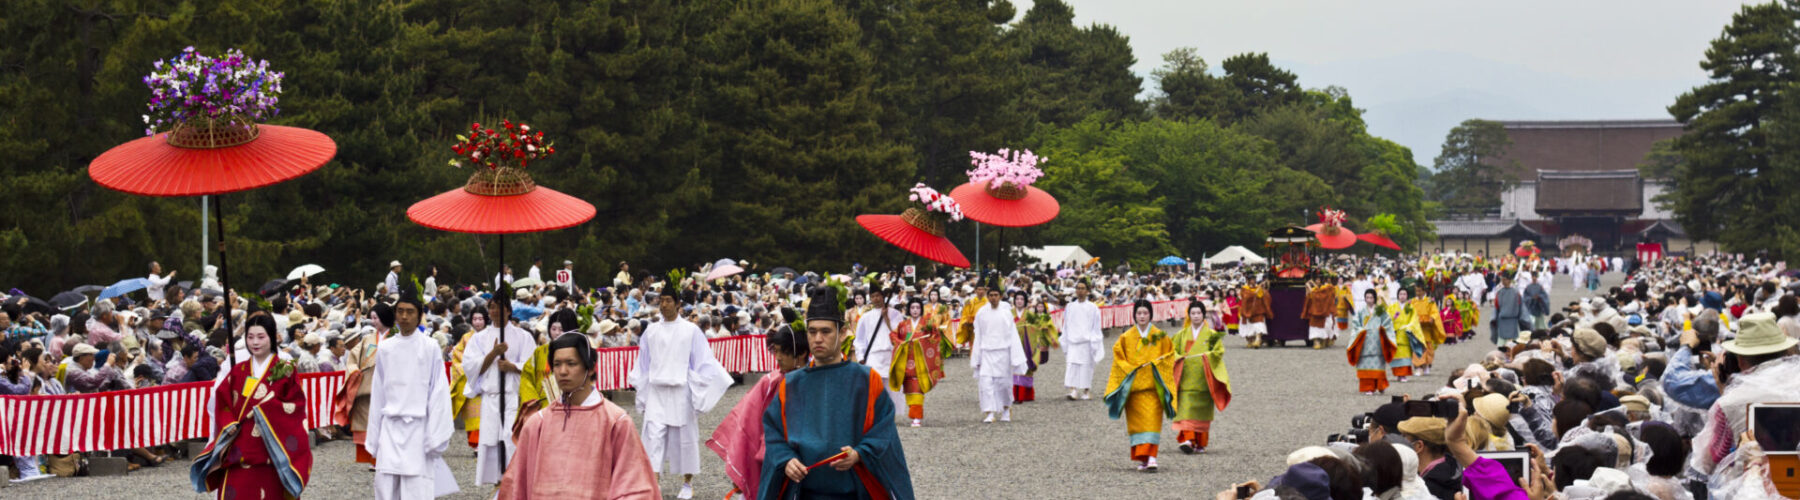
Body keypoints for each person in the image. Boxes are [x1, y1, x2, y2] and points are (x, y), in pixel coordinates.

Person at [758, 286, 914, 500]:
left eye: (826, 331)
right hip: (804, 492)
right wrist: (785, 459)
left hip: (854, 492)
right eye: (812, 332)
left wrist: (860, 453)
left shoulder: (867, 380)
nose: (818, 338)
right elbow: (773, 432)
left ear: (842, 333)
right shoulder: (791, 384)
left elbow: (884, 430)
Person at [495, 333, 661, 499]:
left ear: (590, 368)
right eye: (557, 364)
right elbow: (516, 484)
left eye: (571, 363)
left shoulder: (615, 421)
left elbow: (634, 486)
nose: (563, 371)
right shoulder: (538, 423)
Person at [192, 313, 312, 499]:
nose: (255, 342)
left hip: (272, 451)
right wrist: (228, 421)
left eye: (261, 337)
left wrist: (268, 410)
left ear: (272, 337)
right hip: (239, 448)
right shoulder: (238, 370)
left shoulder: (285, 368)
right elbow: (222, 400)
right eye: (250, 337)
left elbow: (296, 406)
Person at [629, 291, 734, 500]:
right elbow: (643, 363)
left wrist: (696, 387)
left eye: (668, 300)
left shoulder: (690, 331)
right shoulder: (651, 331)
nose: (664, 305)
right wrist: (642, 391)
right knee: (653, 438)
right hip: (657, 390)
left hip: (681, 390)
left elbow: (703, 362)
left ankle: (687, 483)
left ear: (678, 304)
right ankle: (653, 483)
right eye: (662, 301)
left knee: (685, 438)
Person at [368, 282, 459, 500]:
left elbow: (438, 391)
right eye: (400, 311)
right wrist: (374, 435)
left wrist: (436, 432)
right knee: (385, 486)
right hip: (390, 425)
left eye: (410, 312)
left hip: (419, 427)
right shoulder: (386, 348)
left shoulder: (429, 347)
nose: (405, 317)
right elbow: (378, 392)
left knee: (416, 489)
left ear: (419, 315)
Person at [708, 314, 807, 499]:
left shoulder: (814, 380)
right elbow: (746, 422)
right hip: (770, 452)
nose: (777, 357)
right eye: (775, 351)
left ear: (801, 353)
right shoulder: (770, 382)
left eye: (782, 352)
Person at [461, 293, 536, 487]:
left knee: (510, 439)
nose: (495, 311)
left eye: (499, 306)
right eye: (492, 307)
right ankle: (496, 482)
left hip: (512, 396)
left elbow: (531, 365)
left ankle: (514, 480)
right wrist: (493, 353)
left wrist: (513, 366)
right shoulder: (479, 338)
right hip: (491, 396)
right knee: (491, 439)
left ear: (509, 310)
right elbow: (471, 368)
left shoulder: (522, 336)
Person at [1104, 299, 1176, 472]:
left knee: (1152, 422)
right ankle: (1143, 459)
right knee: (1137, 425)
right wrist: (1131, 369)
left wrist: (1158, 364)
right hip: (1134, 389)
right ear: (1134, 315)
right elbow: (1118, 358)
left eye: (1145, 313)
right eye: (1139, 313)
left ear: (1151, 315)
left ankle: (1152, 457)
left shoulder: (1160, 336)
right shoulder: (1126, 337)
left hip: (1152, 388)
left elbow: (1170, 355)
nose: (1142, 316)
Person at [1171, 299, 1231, 454]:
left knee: (1201, 412)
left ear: (1203, 315)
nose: (1196, 316)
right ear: (1189, 315)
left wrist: (1207, 356)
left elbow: (1219, 352)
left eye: (1199, 313)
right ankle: (1188, 440)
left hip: (1204, 380)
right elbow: (1172, 350)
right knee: (1186, 410)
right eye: (1193, 313)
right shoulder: (1181, 334)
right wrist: (1178, 357)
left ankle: (1199, 442)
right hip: (1186, 379)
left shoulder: (1211, 335)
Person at [970, 279, 1027, 423]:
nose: (993, 298)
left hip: (1003, 352)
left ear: (1000, 296)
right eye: (991, 295)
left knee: (1003, 384)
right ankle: (989, 412)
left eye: (996, 295)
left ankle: (1006, 409)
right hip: (987, 352)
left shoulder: (1006, 313)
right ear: (988, 296)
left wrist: (1015, 357)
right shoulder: (981, 313)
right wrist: (976, 357)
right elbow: (978, 336)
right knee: (986, 383)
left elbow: (1013, 335)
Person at [889, 298, 945, 427]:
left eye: (917, 308)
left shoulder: (927, 324)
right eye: (912, 307)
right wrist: (901, 343)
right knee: (909, 387)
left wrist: (922, 342)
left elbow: (936, 337)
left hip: (922, 361)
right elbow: (893, 335)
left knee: (917, 387)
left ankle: (916, 417)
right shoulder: (903, 325)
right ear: (909, 309)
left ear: (921, 309)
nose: (915, 310)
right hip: (907, 360)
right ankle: (914, 413)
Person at [852, 286, 903, 417]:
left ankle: (891, 414)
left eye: (878, 295)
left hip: (890, 353)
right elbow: (860, 339)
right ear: (870, 298)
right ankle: (876, 413)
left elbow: (900, 334)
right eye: (873, 296)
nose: (876, 299)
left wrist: (886, 318)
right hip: (873, 355)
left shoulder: (895, 314)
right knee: (874, 386)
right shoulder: (865, 317)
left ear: (883, 296)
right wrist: (861, 356)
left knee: (891, 388)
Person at [1060, 281, 1105, 400]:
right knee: (1071, 366)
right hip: (1073, 342)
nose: (1080, 291)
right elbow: (1066, 325)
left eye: (1082, 288)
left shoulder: (1093, 307)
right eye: (1078, 288)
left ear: (1087, 291)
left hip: (1086, 342)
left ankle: (1086, 391)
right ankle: (1073, 390)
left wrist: (1094, 340)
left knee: (1086, 367)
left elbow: (1096, 325)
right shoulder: (1070, 307)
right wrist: (1065, 338)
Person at [1346, 290, 1396, 395]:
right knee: (1365, 364)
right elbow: (1355, 325)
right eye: (1367, 297)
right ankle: (1368, 387)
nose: (1369, 300)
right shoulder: (1360, 311)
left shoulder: (1381, 311)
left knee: (1378, 364)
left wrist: (1382, 330)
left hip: (1377, 341)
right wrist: (1361, 331)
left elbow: (1388, 323)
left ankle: (1380, 386)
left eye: (1371, 298)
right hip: (1364, 341)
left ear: (1375, 299)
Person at [1388, 289, 1428, 383]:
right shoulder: (1392, 307)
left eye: (1404, 294)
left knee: (1405, 356)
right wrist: (1391, 324)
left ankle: (1403, 375)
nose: (1402, 296)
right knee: (1396, 356)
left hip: (1406, 334)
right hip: (1395, 333)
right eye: (1400, 294)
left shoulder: (1410, 307)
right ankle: (1398, 374)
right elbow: (1387, 318)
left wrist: (1409, 327)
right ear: (1398, 295)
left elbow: (1414, 320)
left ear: (1407, 296)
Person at [1304, 279, 1338, 349]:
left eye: (1319, 280)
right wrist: (1309, 288)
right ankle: (1317, 341)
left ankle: (1324, 341)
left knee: (1326, 326)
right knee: (1315, 328)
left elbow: (1317, 294)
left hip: (1324, 313)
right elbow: (1310, 296)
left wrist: (1310, 286)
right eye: (1316, 280)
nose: (1317, 282)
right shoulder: (1318, 289)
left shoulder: (1328, 288)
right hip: (1315, 313)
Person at [1239, 279, 1272, 348]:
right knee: (1247, 328)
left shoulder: (1259, 288)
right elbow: (1245, 296)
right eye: (1251, 280)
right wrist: (1254, 293)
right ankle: (1250, 341)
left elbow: (1266, 296)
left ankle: (1258, 340)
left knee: (1259, 326)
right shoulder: (1244, 289)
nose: (1252, 282)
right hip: (1247, 310)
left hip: (1258, 311)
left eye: (1253, 280)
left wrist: (1263, 290)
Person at [1491, 274, 1523, 345]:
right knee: (1502, 343)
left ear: (1509, 280)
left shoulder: (1515, 292)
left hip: (1512, 320)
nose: (1502, 281)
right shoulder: (1499, 292)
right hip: (1502, 320)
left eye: (1504, 279)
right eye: (1502, 279)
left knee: (1513, 344)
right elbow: (1496, 307)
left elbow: (1520, 306)